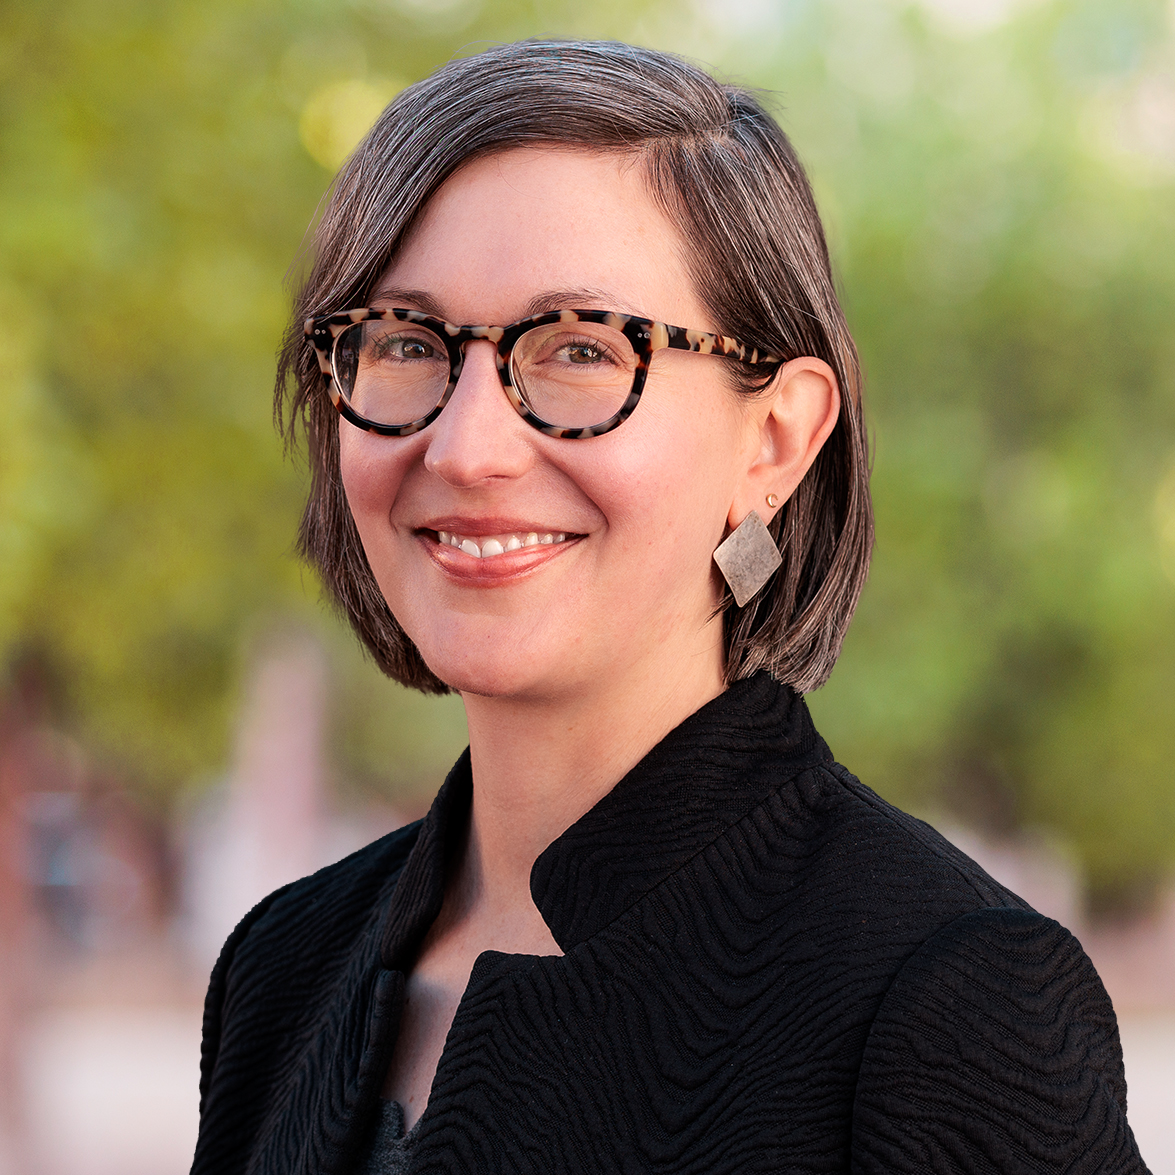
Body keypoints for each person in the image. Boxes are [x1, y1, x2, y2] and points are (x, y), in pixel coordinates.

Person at [190, 40, 1148, 1175]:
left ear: (776, 439)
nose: (467, 446)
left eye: (581, 349)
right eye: (404, 342)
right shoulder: (284, 966)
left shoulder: (942, 995)